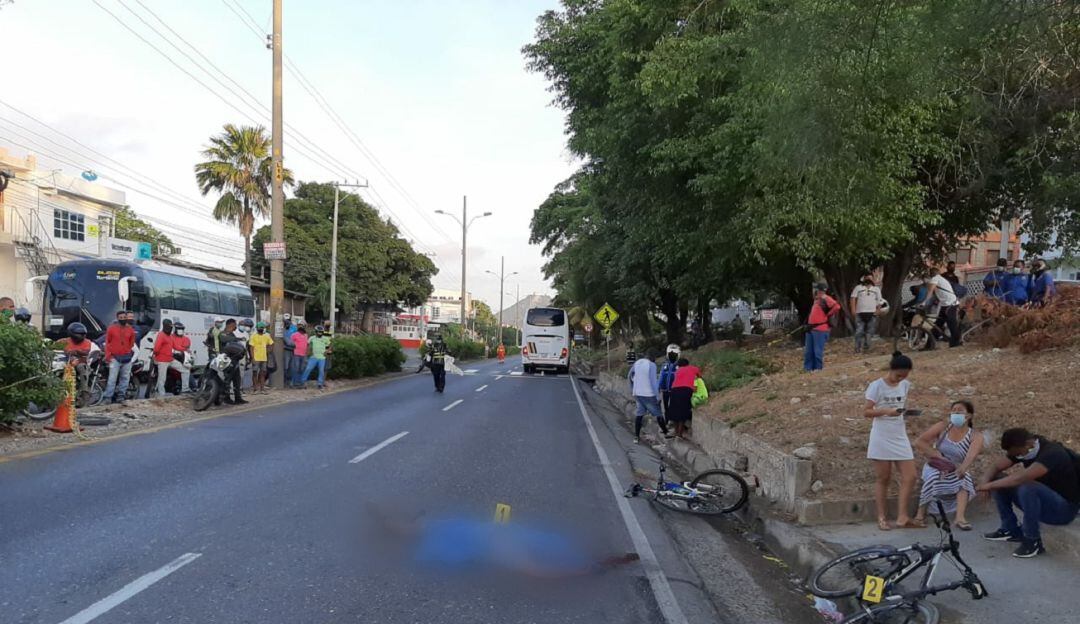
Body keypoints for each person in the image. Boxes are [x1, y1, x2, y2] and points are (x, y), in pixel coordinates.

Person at [979, 428, 1080, 558]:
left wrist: (987, 486)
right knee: (998, 477)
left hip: (1064, 510)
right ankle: (1010, 529)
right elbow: (996, 467)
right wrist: (984, 482)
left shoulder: (1053, 453)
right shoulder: (1025, 448)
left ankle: (1033, 541)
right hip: (1041, 503)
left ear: (1028, 444)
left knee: (1028, 486)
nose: (1018, 457)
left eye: (1019, 453)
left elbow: (1021, 478)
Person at [865, 351, 918, 531]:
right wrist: (886, 411)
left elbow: (900, 405)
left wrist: (904, 413)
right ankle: (882, 517)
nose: (900, 379)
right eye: (898, 375)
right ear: (891, 370)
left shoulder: (905, 385)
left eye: (904, 376)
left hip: (899, 433)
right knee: (884, 478)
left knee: (910, 476)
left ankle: (903, 516)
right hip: (881, 434)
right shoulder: (876, 386)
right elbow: (867, 411)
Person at [913, 400, 983, 530]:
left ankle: (960, 517)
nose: (956, 412)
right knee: (933, 477)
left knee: (965, 479)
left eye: (960, 410)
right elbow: (919, 442)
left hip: (956, 467)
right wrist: (937, 455)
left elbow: (971, 455)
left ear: (969, 415)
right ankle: (920, 515)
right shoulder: (942, 426)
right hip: (937, 465)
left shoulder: (975, 435)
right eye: (953, 410)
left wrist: (962, 469)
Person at [627, 350, 669, 443]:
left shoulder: (637, 363)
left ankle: (636, 437)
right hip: (648, 394)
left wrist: (632, 389)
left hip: (637, 393)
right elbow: (653, 382)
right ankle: (666, 432)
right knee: (658, 413)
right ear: (653, 359)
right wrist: (657, 397)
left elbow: (629, 376)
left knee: (639, 414)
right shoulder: (652, 365)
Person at [804, 283, 840, 372]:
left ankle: (818, 368)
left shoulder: (825, 298)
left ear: (819, 290)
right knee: (809, 351)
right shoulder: (816, 300)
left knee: (817, 351)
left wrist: (828, 314)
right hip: (811, 328)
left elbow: (836, 306)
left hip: (820, 329)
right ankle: (808, 368)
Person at [103, 310, 136, 404]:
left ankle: (121, 396)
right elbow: (107, 342)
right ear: (117, 318)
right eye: (120, 318)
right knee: (112, 379)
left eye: (124, 317)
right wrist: (109, 355)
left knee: (125, 378)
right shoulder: (111, 329)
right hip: (115, 357)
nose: (122, 319)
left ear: (126, 318)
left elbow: (132, 342)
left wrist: (127, 350)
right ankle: (107, 398)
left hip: (126, 357)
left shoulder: (130, 329)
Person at [923, 268, 960, 350]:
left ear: (931, 274)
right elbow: (936, 294)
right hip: (946, 304)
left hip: (950, 304)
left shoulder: (935, 279)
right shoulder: (941, 279)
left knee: (951, 324)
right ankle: (929, 345)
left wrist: (924, 303)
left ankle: (956, 343)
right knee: (937, 325)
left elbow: (930, 292)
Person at [850, 273, 886, 353]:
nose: (869, 280)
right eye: (867, 278)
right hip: (860, 313)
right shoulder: (858, 288)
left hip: (872, 314)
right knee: (859, 331)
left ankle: (866, 348)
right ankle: (857, 349)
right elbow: (853, 298)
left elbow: (879, 301)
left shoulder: (876, 289)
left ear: (873, 279)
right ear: (864, 279)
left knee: (870, 331)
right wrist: (853, 309)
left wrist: (878, 310)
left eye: (871, 278)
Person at [667, 357, 701, 439]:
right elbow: (699, 377)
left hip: (675, 390)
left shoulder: (678, 371)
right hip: (686, 390)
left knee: (674, 411)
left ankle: (675, 432)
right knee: (683, 411)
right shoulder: (694, 368)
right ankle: (680, 433)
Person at [218, 319, 247, 404]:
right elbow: (224, 339)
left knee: (237, 379)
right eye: (234, 325)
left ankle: (238, 398)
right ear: (230, 325)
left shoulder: (232, 334)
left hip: (234, 360)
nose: (235, 327)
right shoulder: (223, 333)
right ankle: (226, 398)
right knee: (227, 379)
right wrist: (237, 338)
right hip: (226, 360)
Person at [153, 319, 177, 397]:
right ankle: (161, 395)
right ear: (165, 326)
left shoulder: (170, 336)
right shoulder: (161, 335)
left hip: (170, 359)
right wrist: (156, 355)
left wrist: (185, 349)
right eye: (169, 327)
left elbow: (175, 346)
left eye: (171, 327)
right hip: (162, 360)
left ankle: (185, 389)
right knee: (162, 378)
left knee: (185, 369)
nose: (170, 328)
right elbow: (156, 348)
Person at [249, 321, 273, 393]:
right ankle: (255, 389)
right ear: (257, 328)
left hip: (264, 358)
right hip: (256, 358)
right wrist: (252, 358)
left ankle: (262, 389)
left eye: (262, 327)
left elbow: (272, 343)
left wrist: (269, 351)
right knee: (255, 373)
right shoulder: (253, 336)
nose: (261, 328)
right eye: (260, 327)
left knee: (263, 374)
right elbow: (251, 348)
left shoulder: (267, 336)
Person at [657, 344, 681, 416]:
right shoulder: (665, 365)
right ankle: (667, 419)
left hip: (675, 390)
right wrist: (658, 387)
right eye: (670, 354)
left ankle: (673, 418)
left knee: (674, 406)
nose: (672, 356)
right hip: (665, 390)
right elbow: (661, 376)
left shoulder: (679, 366)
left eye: (674, 354)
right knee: (666, 406)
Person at [291, 321, 309, 387]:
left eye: (302, 325)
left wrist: (307, 353)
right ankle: (294, 382)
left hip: (304, 355)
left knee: (302, 369)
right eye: (299, 325)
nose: (300, 327)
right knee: (296, 368)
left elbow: (307, 345)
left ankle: (301, 382)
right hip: (296, 354)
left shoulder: (306, 335)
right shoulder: (294, 334)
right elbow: (291, 343)